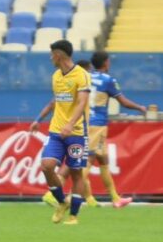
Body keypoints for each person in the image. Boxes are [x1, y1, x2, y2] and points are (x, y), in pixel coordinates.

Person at [43, 52, 146, 208]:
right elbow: (123, 102)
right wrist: (140, 108)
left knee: (103, 159)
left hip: (86, 122)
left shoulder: (84, 76)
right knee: (85, 161)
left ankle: (114, 198)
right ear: (106, 63)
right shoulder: (107, 80)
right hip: (95, 125)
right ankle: (61, 196)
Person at [29, 40, 90, 225]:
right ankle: (62, 202)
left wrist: (70, 124)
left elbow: (82, 102)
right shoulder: (56, 76)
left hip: (76, 133)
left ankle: (73, 216)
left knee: (76, 173)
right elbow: (55, 101)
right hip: (56, 131)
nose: (50, 58)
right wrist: (39, 119)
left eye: (51, 55)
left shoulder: (82, 75)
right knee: (46, 166)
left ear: (58, 55)